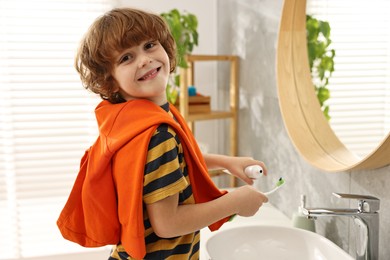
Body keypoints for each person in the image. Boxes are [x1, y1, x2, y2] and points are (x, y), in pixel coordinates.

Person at [57, 7, 268, 260]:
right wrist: (234, 202)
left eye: (149, 45)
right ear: (110, 81)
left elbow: (173, 160)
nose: (144, 59)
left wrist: (226, 163)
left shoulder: (131, 119)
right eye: (126, 58)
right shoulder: (158, 133)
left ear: (165, 47)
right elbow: (167, 223)